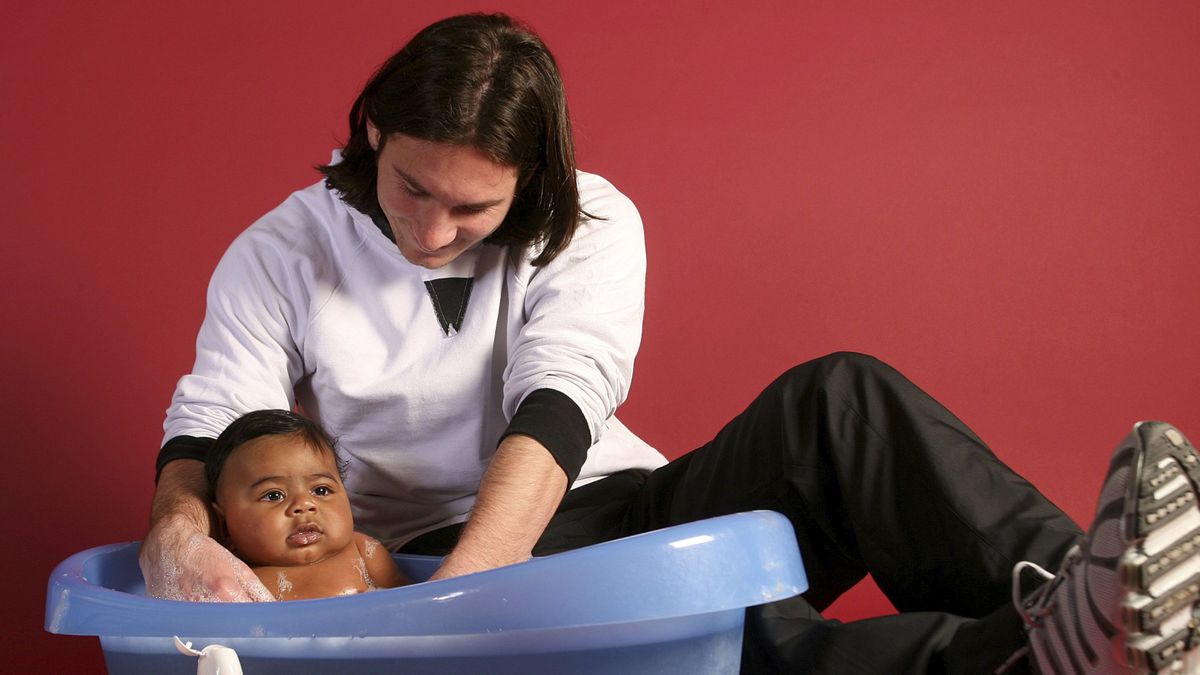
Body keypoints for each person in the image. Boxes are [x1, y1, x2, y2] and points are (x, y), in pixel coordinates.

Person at [137, 12, 1200, 673]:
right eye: (414, 186)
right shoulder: (280, 252)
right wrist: (178, 534)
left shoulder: (592, 218)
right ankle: (1045, 661)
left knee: (842, 398)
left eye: (476, 212)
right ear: (374, 130)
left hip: (586, 506)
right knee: (734, 635)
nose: (433, 228)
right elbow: (211, 422)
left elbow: (559, 401)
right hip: (436, 555)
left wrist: (483, 588)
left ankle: (1110, 608)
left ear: (532, 186)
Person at [205, 409, 408, 601]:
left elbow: (408, 608)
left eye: (321, 490)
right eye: (274, 495)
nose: (304, 505)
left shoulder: (364, 552)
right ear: (223, 523)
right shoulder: (228, 576)